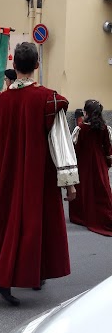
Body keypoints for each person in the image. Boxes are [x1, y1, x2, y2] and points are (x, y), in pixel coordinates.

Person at [0, 41, 79, 306]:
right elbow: (60, 141)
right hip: (38, 176)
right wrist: (69, 181)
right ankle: (1, 277)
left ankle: (34, 272)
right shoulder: (48, 99)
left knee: (9, 224)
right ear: (36, 65)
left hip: (8, 175)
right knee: (35, 225)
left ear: (14, 66)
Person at [69, 99, 112, 237]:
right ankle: (102, 213)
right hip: (99, 163)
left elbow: (76, 148)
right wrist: (107, 163)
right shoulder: (104, 128)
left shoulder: (80, 128)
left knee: (84, 188)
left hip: (84, 163)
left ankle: (81, 216)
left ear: (86, 112)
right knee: (101, 188)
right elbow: (108, 149)